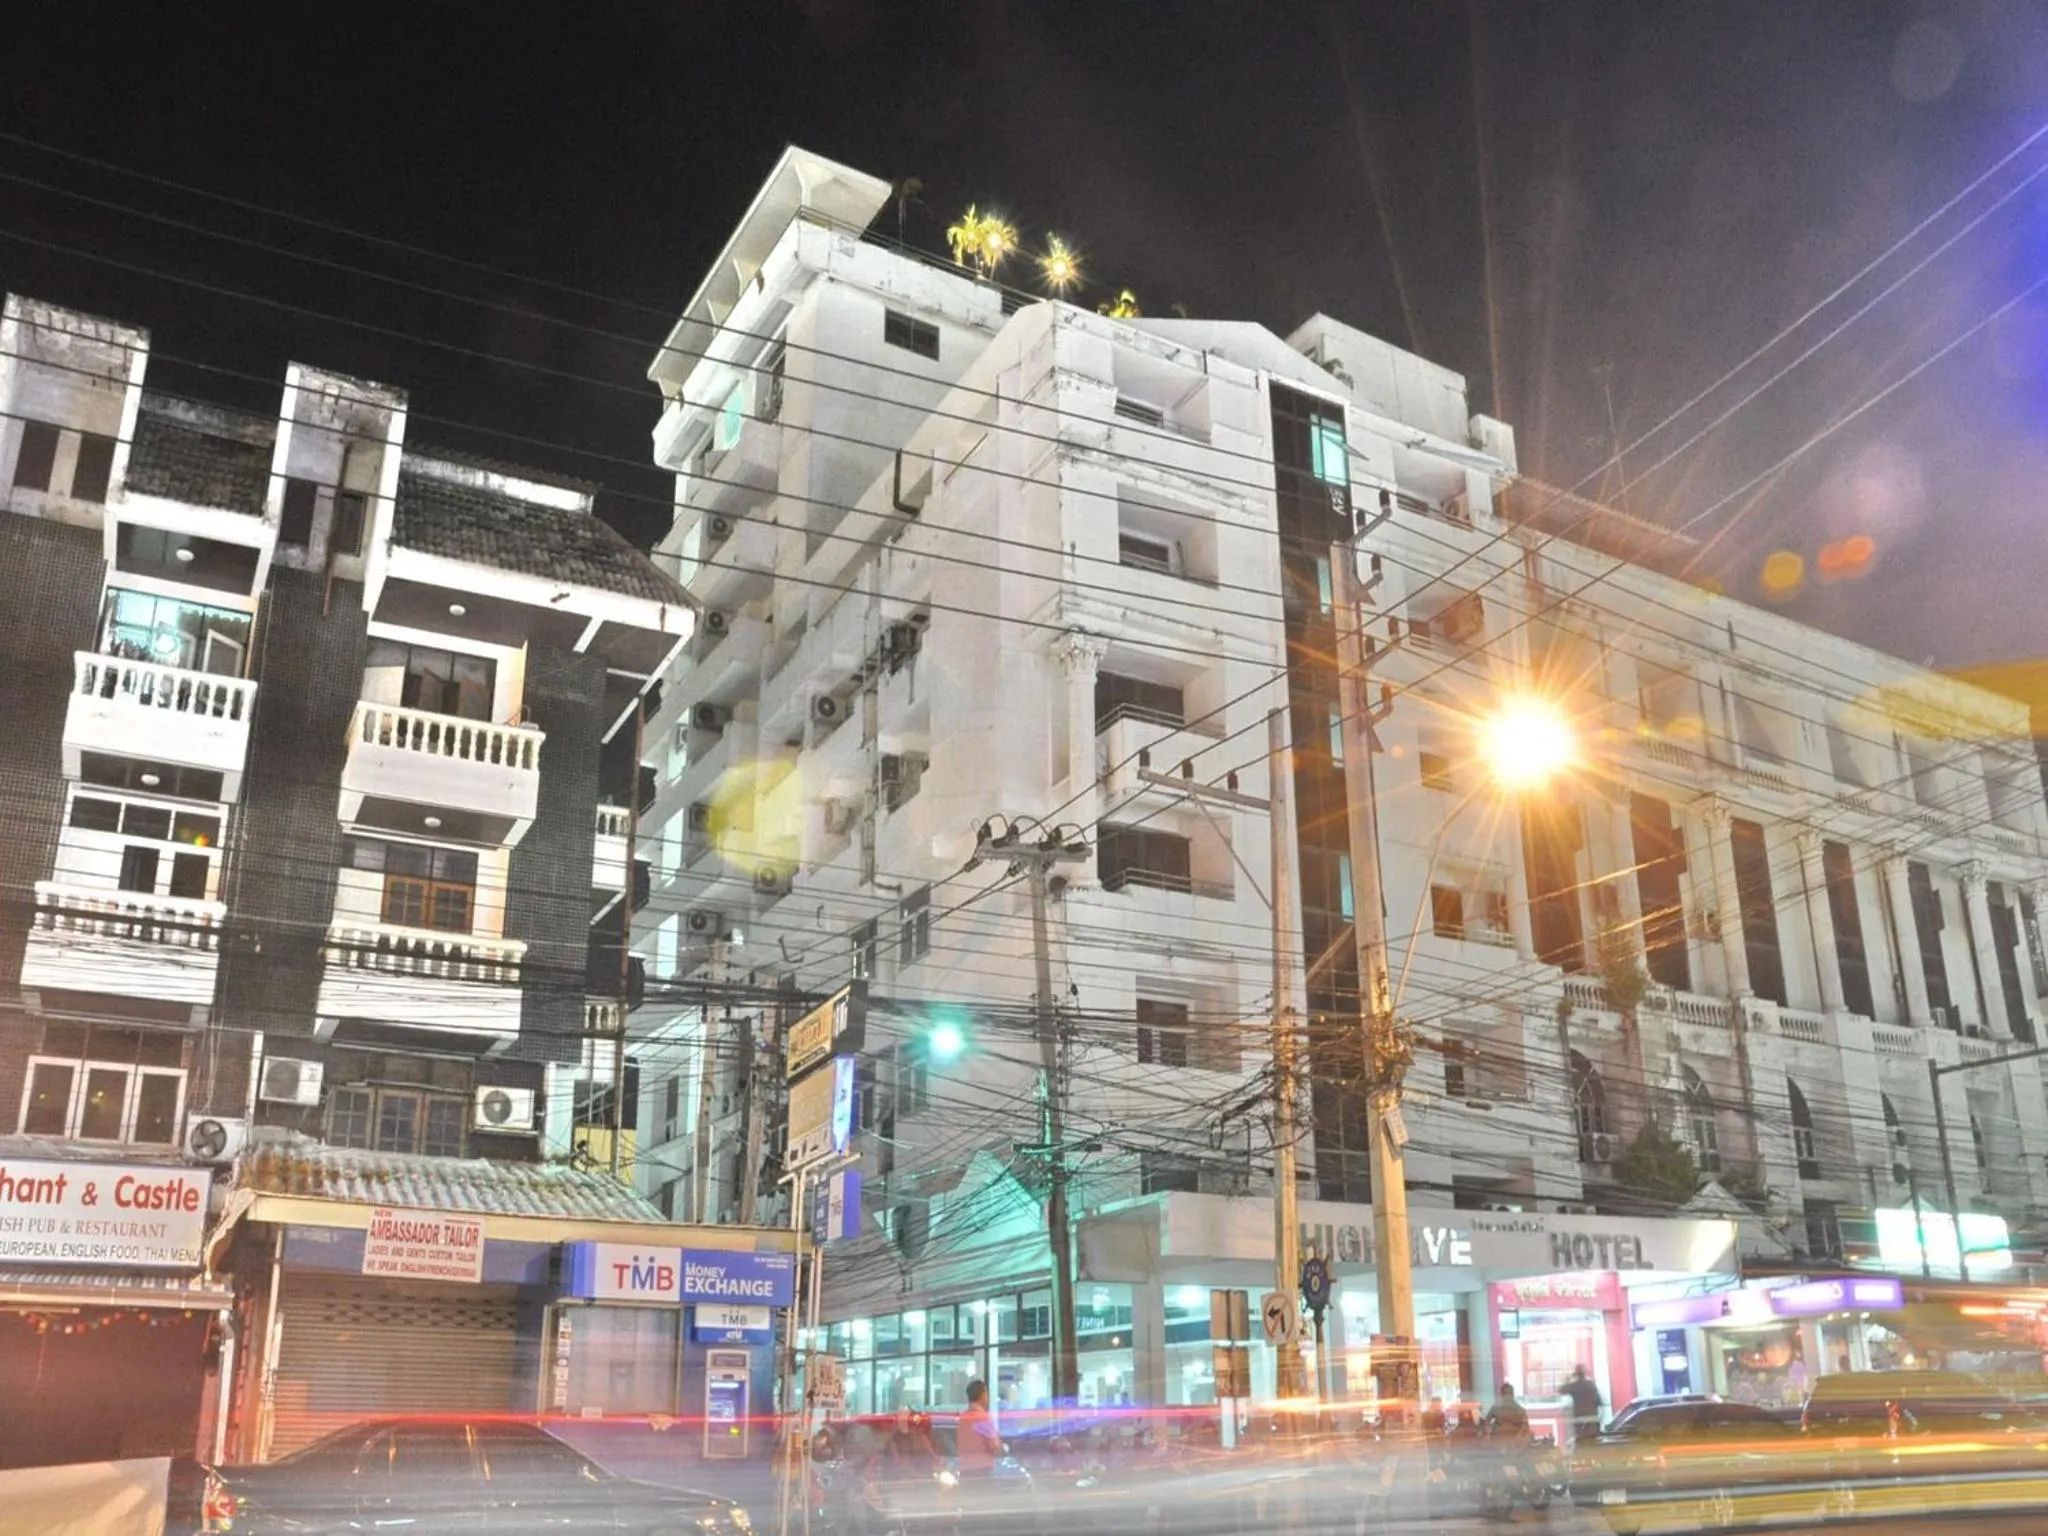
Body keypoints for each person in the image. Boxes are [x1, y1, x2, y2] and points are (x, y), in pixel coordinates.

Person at [956, 1378, 1000, 1476]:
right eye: (986, 1393)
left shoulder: (963, 1417)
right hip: (982, 1469)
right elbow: (994, 1445)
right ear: (982, 1395)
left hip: (964, 1469)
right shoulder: (982, 1417)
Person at [1562, 1365, 1603, 1446]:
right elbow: (1598, 1401)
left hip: (1579, 1418)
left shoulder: (1574, 1385)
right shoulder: (1591, 1385)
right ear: (1585, 1373)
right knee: (1593, 1442)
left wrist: (1568, 1379)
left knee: (1581, 1442)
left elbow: (1562, 1390)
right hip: (1592, 1418)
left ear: (1576, 1374)